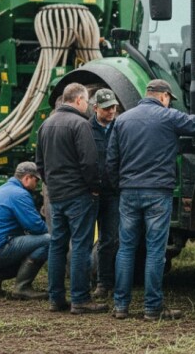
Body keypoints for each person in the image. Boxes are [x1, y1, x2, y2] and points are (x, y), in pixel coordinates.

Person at [106, 79, 195, 321]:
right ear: (163, 96)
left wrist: (119, 187)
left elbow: (112, 160)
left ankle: (121, 307)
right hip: (157, 193)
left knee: (126, 250)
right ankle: (152, 309)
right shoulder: (168, 116)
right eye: (168, 99)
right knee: (155, 251)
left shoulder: (122, 120)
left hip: (129, 193)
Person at [35, 83, 105, 314]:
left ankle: (56, 298)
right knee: (81, 246)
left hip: (56, 195)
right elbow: (89, 162)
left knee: (57, 245)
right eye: (86, 101)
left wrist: (52, 185)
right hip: (78, 195)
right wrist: (94, 187)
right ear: (78, 101)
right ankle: (80, 299)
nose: (88, 105)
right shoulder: (80, 124)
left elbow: (40, 165)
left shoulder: (45, 125)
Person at [0, 162, 50, 299]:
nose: (37, 185)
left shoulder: (1, 190)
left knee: (33, 246)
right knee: (49, 241)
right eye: (36, 180)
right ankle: (22, 288)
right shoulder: (19, 194)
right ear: (27, 178)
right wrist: (57, 232)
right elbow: (36, 227)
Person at [89, 88, 120, 299]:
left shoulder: (119, 128)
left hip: (112, 192)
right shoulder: (85, 129)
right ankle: (85, 283)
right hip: (90, 192)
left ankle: (104, 283)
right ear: (95, 108)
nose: (111, 112)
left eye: (114, 107)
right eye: (107, 108)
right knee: (83, 239)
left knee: (110, 239)